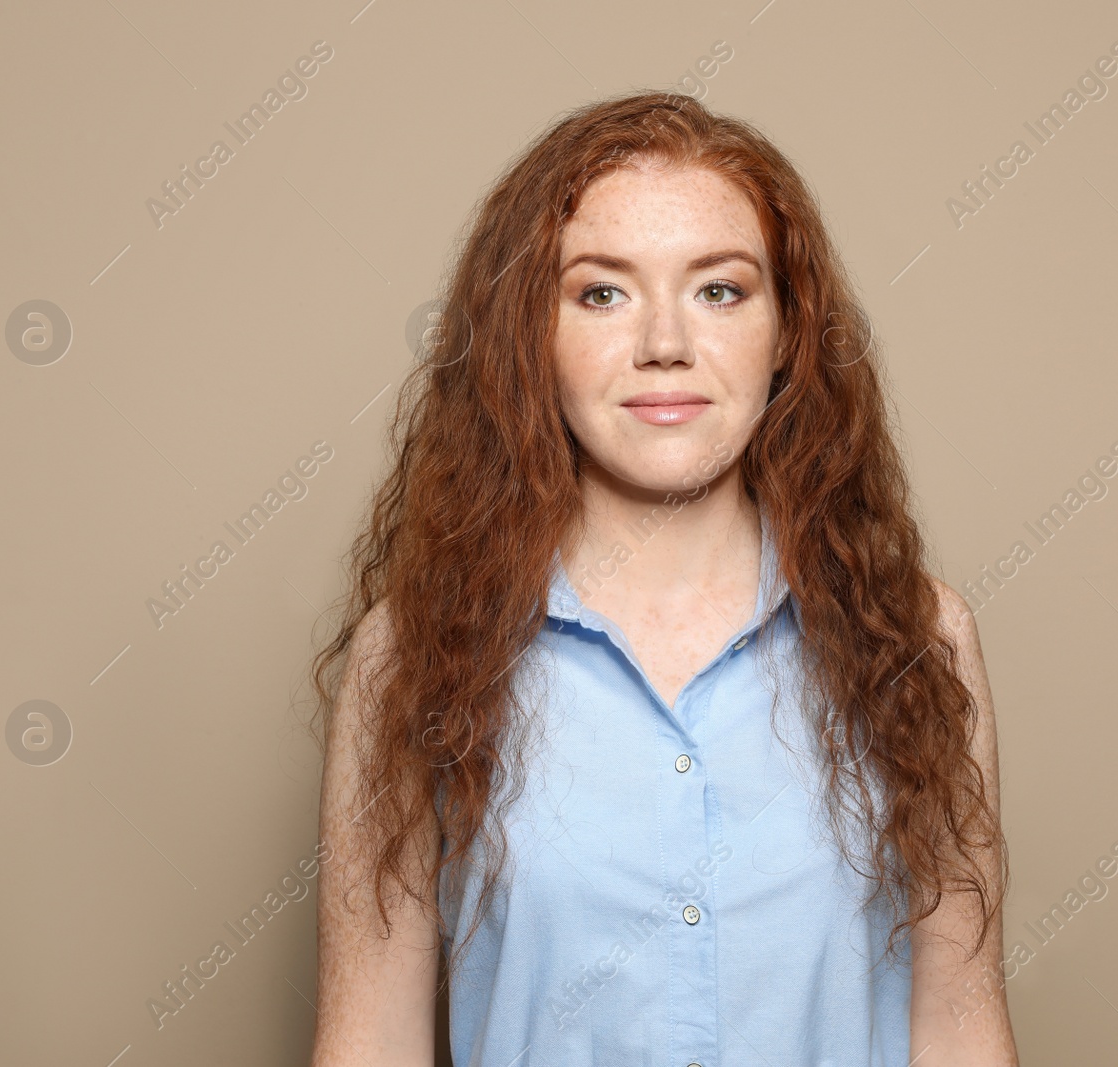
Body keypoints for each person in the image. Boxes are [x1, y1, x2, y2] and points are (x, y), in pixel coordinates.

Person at [308, 89, 1018, 1066]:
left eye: (719, 289)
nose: (665, 343)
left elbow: (960, 1023)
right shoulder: (414, 652)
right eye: (601, 291)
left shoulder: (919, 640)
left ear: (786, 334)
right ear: (531, 337)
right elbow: (370, 1043)